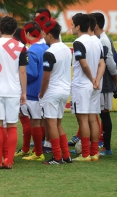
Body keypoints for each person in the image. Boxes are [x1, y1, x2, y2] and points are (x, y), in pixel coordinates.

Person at [0, 16, 28, 169]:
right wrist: (24, 92)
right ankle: (9, 160)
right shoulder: (21, 46)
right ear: (15, 30)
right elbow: (22, 72)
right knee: (12, 125)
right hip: (14, 90)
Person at [71, 13, 105, 162]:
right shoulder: (96, 41)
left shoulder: (79, 42)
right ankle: (94, 152)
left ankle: (85, 154)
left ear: (78, 26)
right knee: (93, 119)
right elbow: (102, 63)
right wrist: (97, 80)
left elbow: (83, 63)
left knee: (83, 120)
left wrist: (91, 78)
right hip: (94, 86)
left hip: (82, 84)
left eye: (72, 24)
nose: (71, 27)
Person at [39, 21, 72, 165]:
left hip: (52, 91)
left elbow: (46, 77)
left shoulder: (49, 52)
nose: (43, 36)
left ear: (49, 35)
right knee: (58, 124)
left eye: (44, 34)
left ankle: (57, 157)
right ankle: (66, 155)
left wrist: (41, 93)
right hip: (65, 90)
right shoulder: (66, 49)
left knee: (51, 124)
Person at [18, 21, 48, 162]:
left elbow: (31, 74)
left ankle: (38, 153)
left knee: (35, 122)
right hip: (45, 91)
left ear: (29, 34)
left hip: (33, 92)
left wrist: (19, 77)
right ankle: (37, 150)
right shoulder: (47, 48)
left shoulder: (31, 51)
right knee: (41, 122)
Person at [93, 12, 117, 156]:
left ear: (95, 25)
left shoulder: (103, 40)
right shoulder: (100, 39)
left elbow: (110, 63)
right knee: (101, 113)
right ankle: (102, 145)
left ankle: (107, 147)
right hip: (103, 80)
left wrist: (115, 81)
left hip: (105, 81)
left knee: (104, 113)